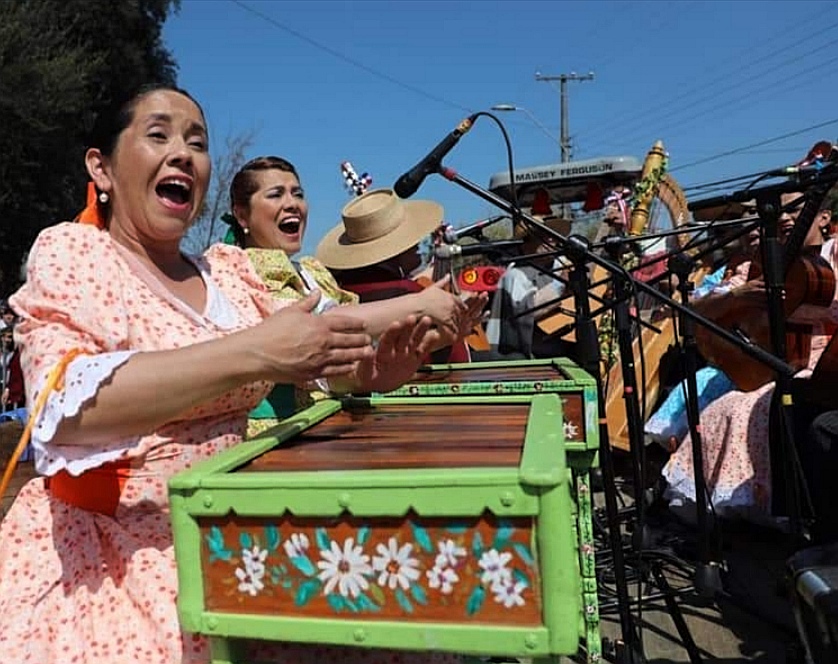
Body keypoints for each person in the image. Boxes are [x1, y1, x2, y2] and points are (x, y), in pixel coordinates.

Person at [0, 85, 458, 664]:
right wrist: (254, 354)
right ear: (103, 167)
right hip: (128, 548)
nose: (184, 153)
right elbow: (62, 407)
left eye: (198, 141)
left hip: (245, 520)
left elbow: (311, 347)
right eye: (158, 134)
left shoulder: (229, 270)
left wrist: (373, 374)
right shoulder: (75, 254)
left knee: (405, 613)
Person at [223, 156, 485, 435]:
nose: (292, 203)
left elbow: (346, 362)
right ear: (241, 215)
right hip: (279, 437)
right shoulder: (241, 269)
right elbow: (319, 329)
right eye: (276, 194)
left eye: (298, 194)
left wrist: (436, 339)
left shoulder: (311, 270)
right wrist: (420, 303)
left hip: (328, 425)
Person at [661, 191, 838, 524]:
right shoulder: (762, 260)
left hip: (821, 364)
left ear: (823, 217)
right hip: (766, 362)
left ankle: (786, 513)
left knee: (745, 408)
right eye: (780, 211)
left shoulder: (833, 255)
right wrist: (737, 296)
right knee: (720, 402)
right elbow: (693, 313)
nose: (785, 218)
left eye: (795, 211)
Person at [315, 187, 486, 364]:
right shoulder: (416, 294)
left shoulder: (336, 294)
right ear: (393, 251)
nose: (417, 245)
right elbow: (457, 362)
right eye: (410, 240)